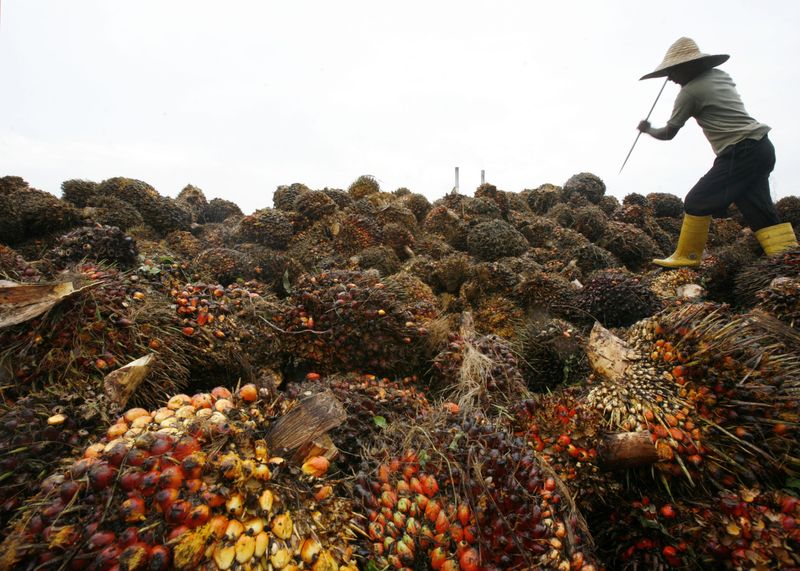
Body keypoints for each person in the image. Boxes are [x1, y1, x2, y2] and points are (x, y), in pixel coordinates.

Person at [637, 37, 797, 267]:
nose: (670, 78)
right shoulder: (721, 77)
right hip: (762, 147)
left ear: (689, 66)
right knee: (758, 211)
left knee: (697, 201)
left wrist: (648, 129)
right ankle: (789, 261)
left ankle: (687, 257)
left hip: (741, 150)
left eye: (672, 71)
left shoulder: (689, 93)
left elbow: (669, 133)